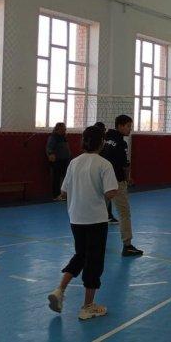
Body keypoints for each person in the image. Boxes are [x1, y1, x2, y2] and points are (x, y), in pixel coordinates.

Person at [47, 126, 118, 320]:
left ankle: (59, 290)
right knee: (94, 261)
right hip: (96, 219)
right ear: (102, 143)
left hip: (76, 218)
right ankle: (88, 306)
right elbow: (111, 192)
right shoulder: (104, 164)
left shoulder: (74, 163)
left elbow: (64, 191)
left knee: (80, 255)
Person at [100, 115, 143, 256]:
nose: (130, 129)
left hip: (102, 180)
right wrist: (127, 178)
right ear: (120, 126)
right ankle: (127, 245)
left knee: (99, 212)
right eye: (128, 126)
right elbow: (124, 165)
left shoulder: (105, 139)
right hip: (116, 181)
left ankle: (95, 242)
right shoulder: (121, 143)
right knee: (124, 213)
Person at [94, 121, 118, 225]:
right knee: (106, 192)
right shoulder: (103, 141)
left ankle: (107, 215)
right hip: (102, 169)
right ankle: (107, 215)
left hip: (98, 169)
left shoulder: (103, 141)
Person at [46, 123, 71, 201]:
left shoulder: (64, 137)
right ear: (58, 129)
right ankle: (56, 195)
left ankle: (63, 194)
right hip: (57, 161)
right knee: (56, 178)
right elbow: (49, 148)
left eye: (65, 129)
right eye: (63, 129)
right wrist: (51, 154)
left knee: (65, 178)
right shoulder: (53, 137)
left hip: (65, 160)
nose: (65, 130)